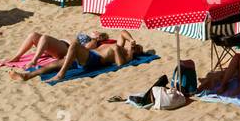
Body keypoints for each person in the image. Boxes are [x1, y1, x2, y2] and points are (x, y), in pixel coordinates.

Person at [10, 30, 144, 82]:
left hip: (94, 60)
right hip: (88, 55)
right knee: (54, 64)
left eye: (138, 48)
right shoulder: (120, 45)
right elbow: (122, 32)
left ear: (136, 52)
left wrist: (131, 53)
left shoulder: (124, 54)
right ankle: (27, 76)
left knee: (74, 45)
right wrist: (132, 41)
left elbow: (121, 65)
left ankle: (60, 75)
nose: (136, 46)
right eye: (137, 45)